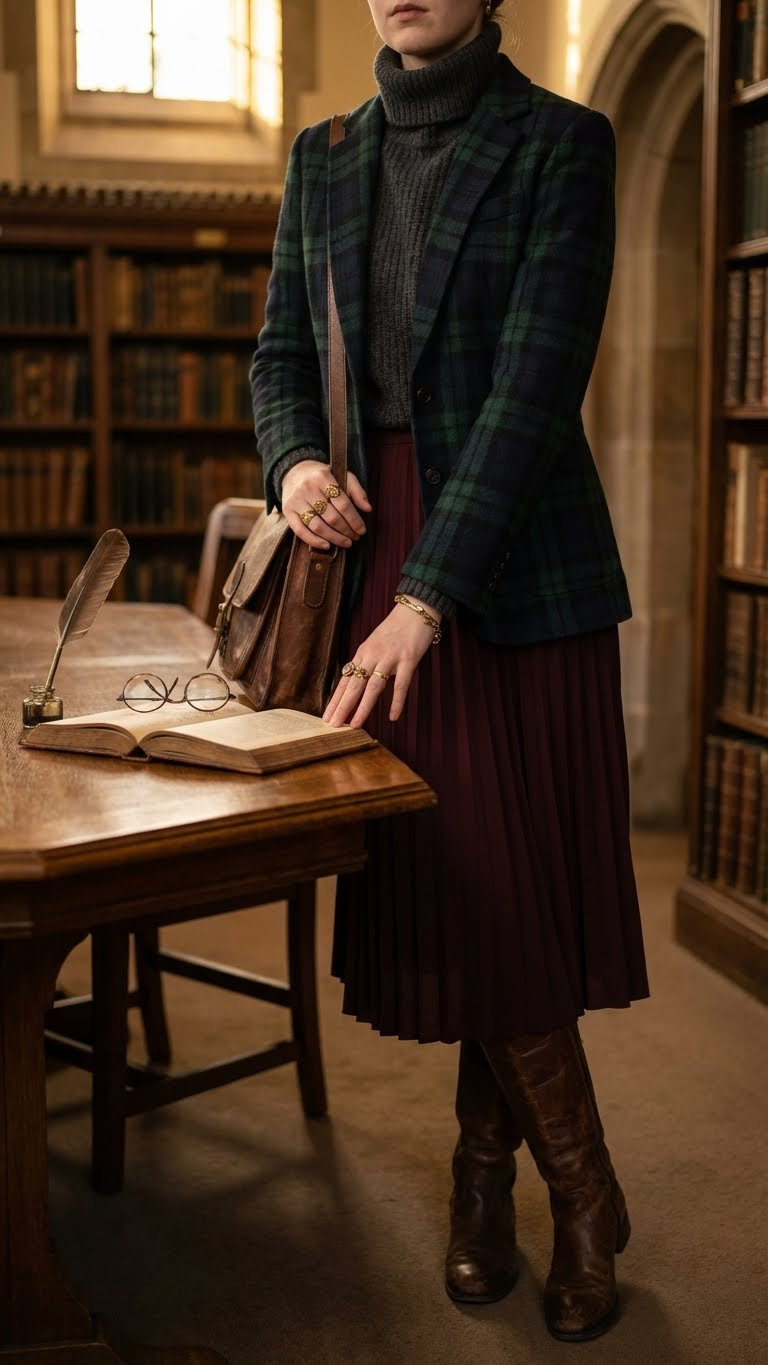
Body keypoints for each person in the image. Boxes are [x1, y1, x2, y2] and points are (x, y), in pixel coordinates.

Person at [250, 0, 650, 1344]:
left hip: (511, 555)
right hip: (370, 541)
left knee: (504, 881)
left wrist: (428, 597)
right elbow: (281, 362)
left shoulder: (563, 144)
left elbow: (539, 387)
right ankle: (501, 1180)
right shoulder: (322, 156)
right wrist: (298, 463)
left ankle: (562, 1195)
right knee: (462, 878)